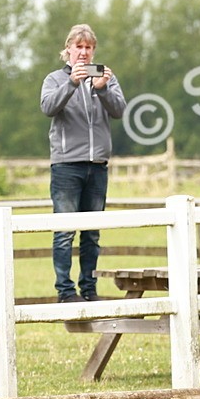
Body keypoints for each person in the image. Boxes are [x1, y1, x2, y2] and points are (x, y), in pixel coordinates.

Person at [39, 23, 127, 303]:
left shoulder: (105, 78)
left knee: (92, 233)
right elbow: (48, 107)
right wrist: (72, 84)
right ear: (68, 49)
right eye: (79, 46)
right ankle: (65, 292)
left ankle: (89, 289)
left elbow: (120, 110)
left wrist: (103, 89)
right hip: (66, 166)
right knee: (65, 232)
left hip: (97, 166)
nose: (84, 52)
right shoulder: (55, 79)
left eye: (89, 47)